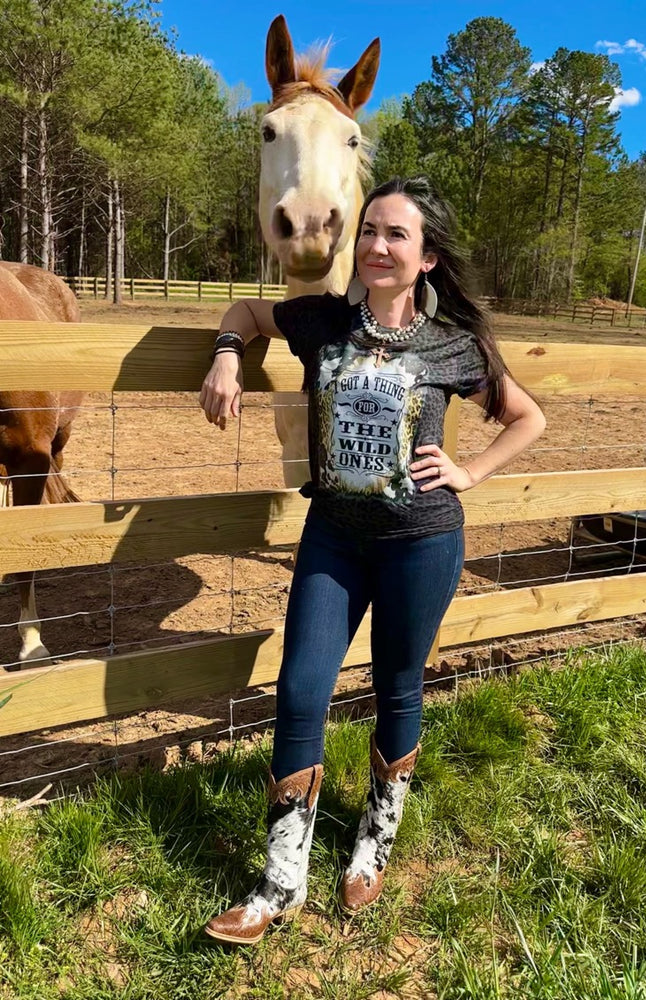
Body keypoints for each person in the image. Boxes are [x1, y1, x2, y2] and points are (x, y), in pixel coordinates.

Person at [199, 176, 546, 945]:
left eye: (397, 235)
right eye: (370, 232)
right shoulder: (322, 322)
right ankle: (281, 879)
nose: (378, 246)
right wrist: (227, 355)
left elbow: (528, 416)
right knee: (301, 688)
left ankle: (372, 846)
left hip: (421, 541)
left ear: (425, 258)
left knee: (397, 686)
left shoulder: (452, 343)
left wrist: (470, 472)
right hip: (333, 537)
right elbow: (247, 312)